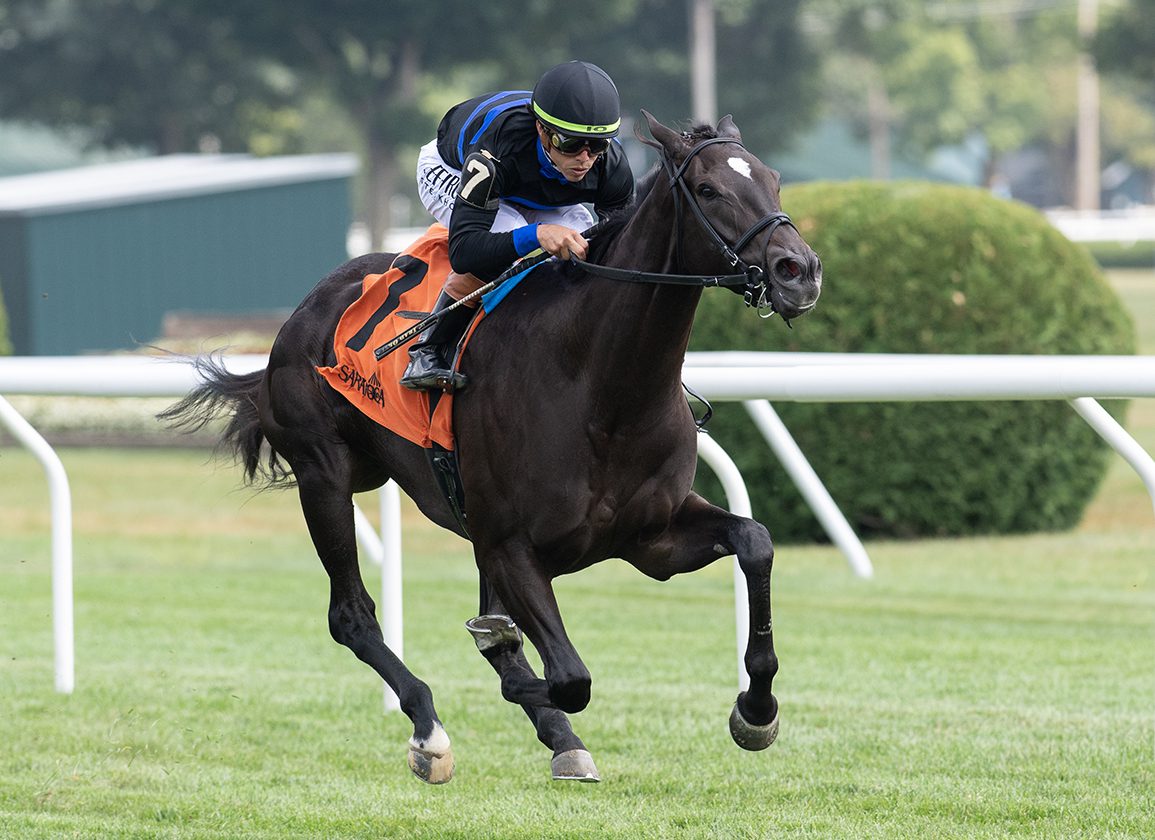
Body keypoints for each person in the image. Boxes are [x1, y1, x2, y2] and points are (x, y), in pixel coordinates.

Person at [402, 60, 636, 391]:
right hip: (452, 168)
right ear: (542, 130)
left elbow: (621, 249)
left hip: (530, 185)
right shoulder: (495, 148)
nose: (585, 158)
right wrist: (537, 234)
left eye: (597, 144)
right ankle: (430, 349)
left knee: (585, 239)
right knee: (510, 236)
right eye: (571, 144)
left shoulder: (610, 167)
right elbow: (466, 251)